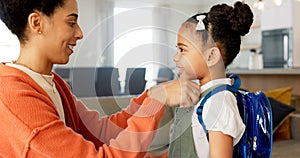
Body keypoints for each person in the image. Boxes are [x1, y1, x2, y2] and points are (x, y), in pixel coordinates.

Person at [0, 0, 201, 157]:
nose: (79, 33)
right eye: (71, 23)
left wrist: (152, 96)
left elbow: (101, 132)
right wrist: (155, 103)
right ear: (37, 23)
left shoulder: (54, 84)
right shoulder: (15, 98)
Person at [168, 2, 254, 158]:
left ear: (211, 56)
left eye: (182, 49)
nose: (175, 57)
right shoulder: (201, 98)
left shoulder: (218, 103)